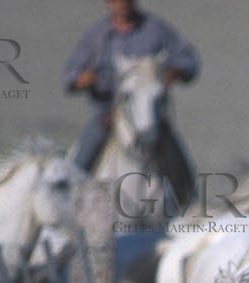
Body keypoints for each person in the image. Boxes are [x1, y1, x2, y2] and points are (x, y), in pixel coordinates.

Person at [63, 0, 198, 200]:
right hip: (108, 115)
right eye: (116, 0)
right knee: (79, 164)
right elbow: (71, 75)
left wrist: (174, 72)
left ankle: (189, 206)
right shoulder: (97, 36)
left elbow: (188, 59)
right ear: (108, 3)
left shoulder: (155, 30)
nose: (122, 5)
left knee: (179, 165)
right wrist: (83, 79)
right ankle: (70, 203)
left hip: (152, 117)